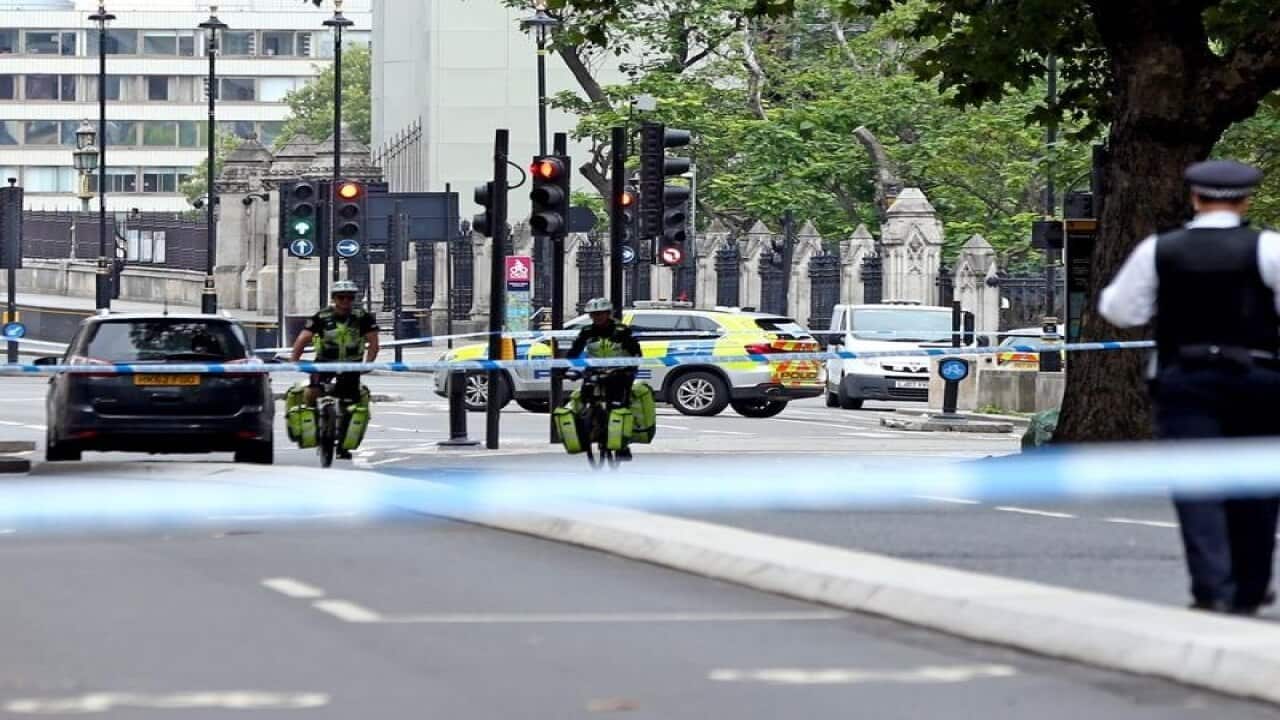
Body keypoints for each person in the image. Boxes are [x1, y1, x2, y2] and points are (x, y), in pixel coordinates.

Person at [1099, 159, 1280, 615]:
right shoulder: (1269, 249)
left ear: (1195, 197)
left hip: (1185, 377)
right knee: (1257, 483)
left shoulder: (1160, 250)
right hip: (1257, 378)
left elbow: (1121, 311)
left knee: (1196, 482)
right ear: (1245, 200)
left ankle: (1211, 585)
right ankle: (1251, 585)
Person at [290, 280, 380, 460]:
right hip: (324, 363)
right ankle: (314, 426)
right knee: (312, 392)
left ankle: (343, 446)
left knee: (350, 405)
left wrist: (368, 364)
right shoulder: (322, 316)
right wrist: (294, 360)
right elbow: (304, 338)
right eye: (341, 297)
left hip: (351, 365)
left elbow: (373, 342)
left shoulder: (362, 317)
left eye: (349, 297)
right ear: (334, 299)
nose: (345, 301)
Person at [567, 297, 643, 458]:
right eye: (593, 315)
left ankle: (623, 445)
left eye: (600, 314)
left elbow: (636, 353)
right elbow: (574, 352)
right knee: (583, 400)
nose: (597, 317)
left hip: (619, 373)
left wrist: (630, 369)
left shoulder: (621, 331)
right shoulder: (587, 331)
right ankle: (588, 431)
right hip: (594, 371)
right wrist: (566, 368)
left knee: (618, 406)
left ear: (608, 314)